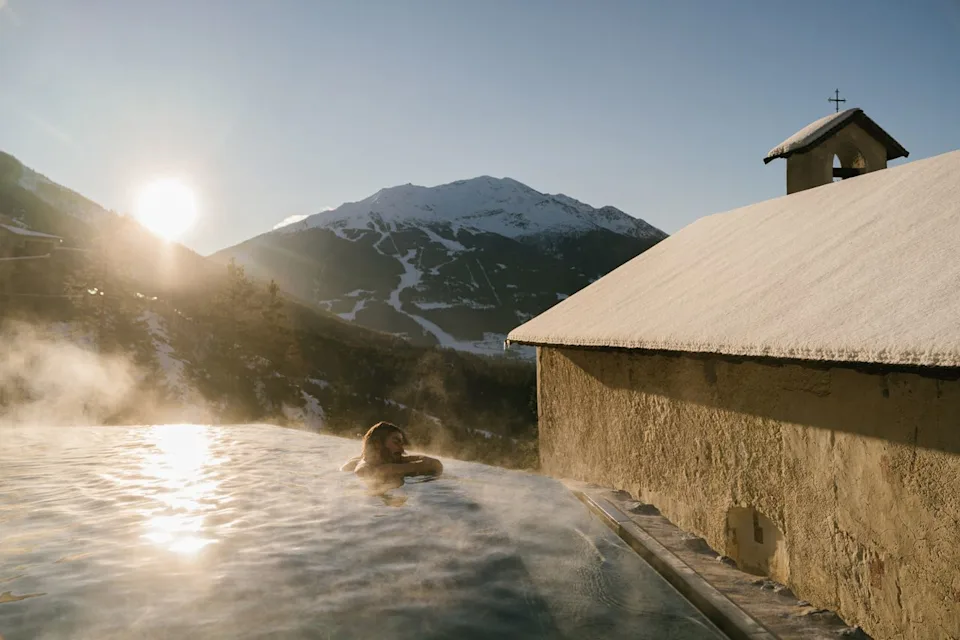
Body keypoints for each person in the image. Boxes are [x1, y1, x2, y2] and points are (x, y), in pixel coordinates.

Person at [340, 421, 443, 489]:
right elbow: (372, 473)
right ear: (377, 444)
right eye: (396, 442)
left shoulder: (387, 459)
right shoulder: (365, 468)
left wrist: (405, 460)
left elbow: (436, 464)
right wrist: (411, 465)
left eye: (401, 444)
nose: (402, 449)